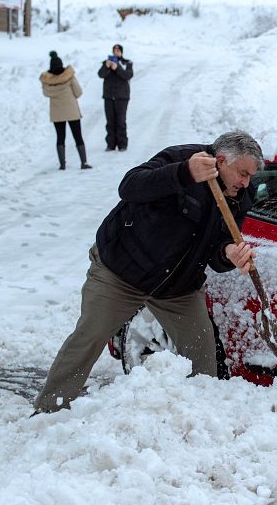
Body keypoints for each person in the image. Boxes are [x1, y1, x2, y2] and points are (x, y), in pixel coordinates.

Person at [33, 131, 263, 414]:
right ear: (221, 159)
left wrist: (228, 253)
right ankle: (47, 411)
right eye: (242, 173)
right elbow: (130, 187)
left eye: (250, 177)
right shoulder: (180, 158)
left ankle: (202, 418)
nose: (245, 182)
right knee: (89, 337)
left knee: (202, 351)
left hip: (178, 287)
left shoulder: (242, 194)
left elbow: (218, 245)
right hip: (122, 273)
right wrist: (183, 173)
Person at [39, 51, 91, 170]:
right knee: (78, 136)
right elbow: (78, 92)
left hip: (57, 112)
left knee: (60, 137)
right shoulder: (69, 76)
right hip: (71, 111)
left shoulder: (47, 80)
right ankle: (84, 162)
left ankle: (62, 165)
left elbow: (46, 93)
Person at [98, 43, 134, 151]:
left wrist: (117, 68)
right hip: (108, 97)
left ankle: (122, 144)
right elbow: (100, 74)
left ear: (121, 52)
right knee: (110, 122)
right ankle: (111, 144)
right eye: (114, 50)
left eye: (118, 50)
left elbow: (127, 75)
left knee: (121, 121)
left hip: (122, 97)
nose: (116, 52)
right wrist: (107, 67)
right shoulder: (106, 63)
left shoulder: (126, 63)